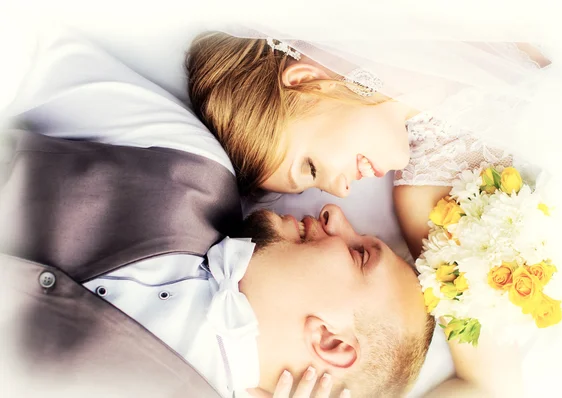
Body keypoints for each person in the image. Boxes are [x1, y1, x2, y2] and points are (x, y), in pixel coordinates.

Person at [0, 23, 434, 398]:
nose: (334, 213)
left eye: (360, 255)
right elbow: (26, 51)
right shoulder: (187, 166)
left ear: (330, 341)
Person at [186, 32, 538, 397]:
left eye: (310, 168)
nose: (340, 197)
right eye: (361, 253)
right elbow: (490, 385)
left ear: (305, 81)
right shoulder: (434, 189)